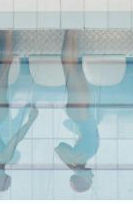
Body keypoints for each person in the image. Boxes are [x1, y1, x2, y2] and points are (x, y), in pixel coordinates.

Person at [0, 31, 38, 192]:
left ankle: (4, 32)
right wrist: (30, 120)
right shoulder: (5, 158)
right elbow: (16, 138)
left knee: (1, 65)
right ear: (2, 177)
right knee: (4, 65)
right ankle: (8, 32)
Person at [55, 30, 100, 193]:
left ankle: (69, 31)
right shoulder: (83, 157)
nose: (93, 176)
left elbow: (59, 147)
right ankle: (71, 32)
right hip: (81, 111)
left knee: (69, 67)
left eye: (89, 179)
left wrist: (72, 167)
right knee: (72, 67)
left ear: (82, 178)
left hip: (80, 111)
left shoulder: (77, 159)